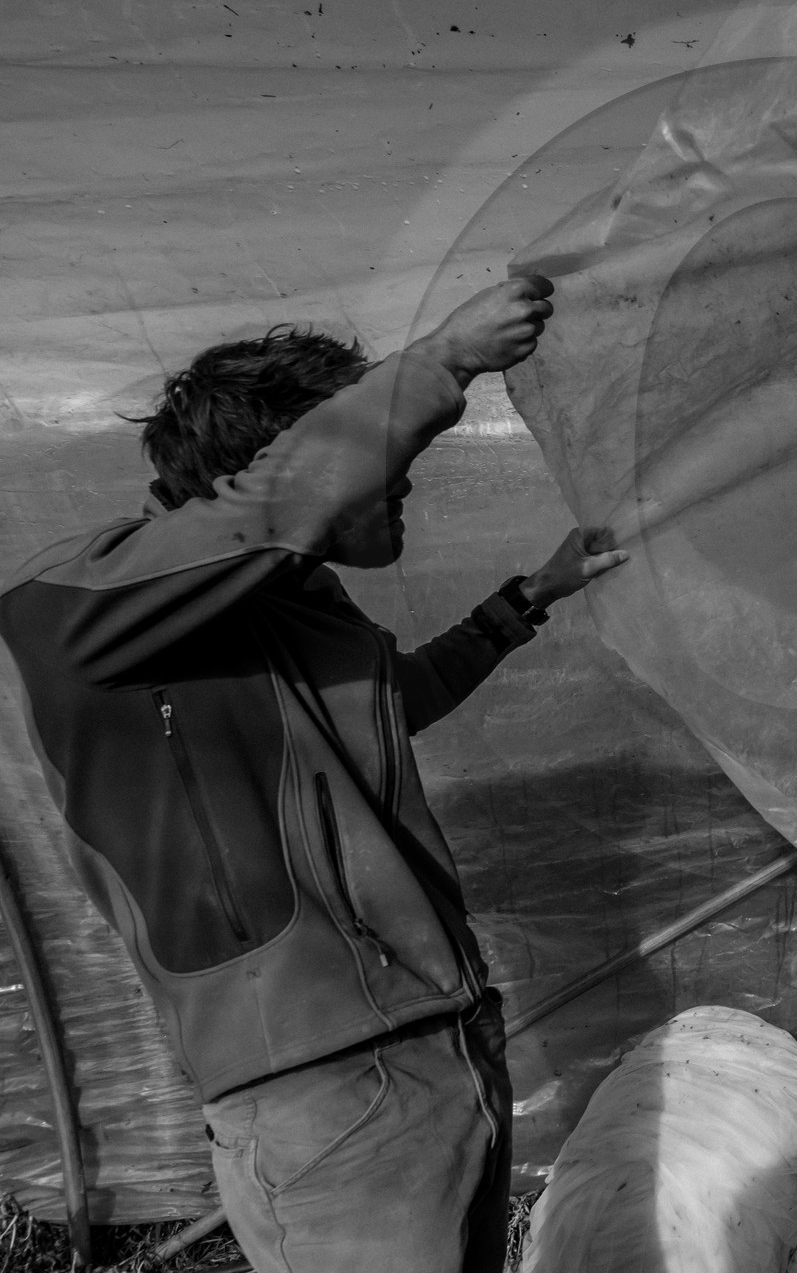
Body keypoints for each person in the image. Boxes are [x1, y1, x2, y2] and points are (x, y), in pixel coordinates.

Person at [0, 277, 627, 1273]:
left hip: (440, 1041)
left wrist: (528, 598)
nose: (401, 468)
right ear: (276, 470)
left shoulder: (293, 605)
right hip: (322, 1087)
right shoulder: (74, 607)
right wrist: (447, 358)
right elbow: (280, 507)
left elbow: (393, 700)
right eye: (369, 446)